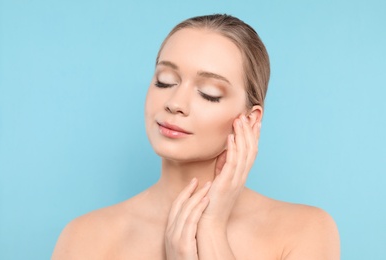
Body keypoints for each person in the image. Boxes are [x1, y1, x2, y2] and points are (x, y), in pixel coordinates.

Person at [52, 14, 340, 259]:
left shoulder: (304, 231)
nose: (175, 102)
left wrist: (212, 228)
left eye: (209, 94)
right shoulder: (85, 239)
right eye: (164, 81)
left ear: (249, 120)